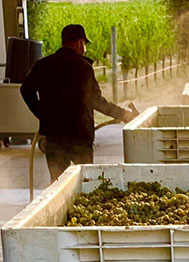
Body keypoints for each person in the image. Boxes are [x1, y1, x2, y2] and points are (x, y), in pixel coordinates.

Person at [20, 23, 138, 179]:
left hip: (54, 136)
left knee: (58, 184)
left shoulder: (43, 65)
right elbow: (96, 101)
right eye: (84, 44)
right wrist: (123, 114)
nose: (84, 48)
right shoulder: (83, 67)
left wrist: (42, 114)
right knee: (86, 180)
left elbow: (25, 90)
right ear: (78, 43)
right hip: (79, 136)